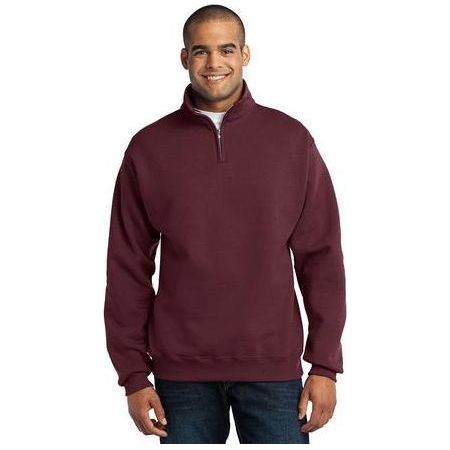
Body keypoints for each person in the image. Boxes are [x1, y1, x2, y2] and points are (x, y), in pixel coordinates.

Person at [104, 4, 346, 444]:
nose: (214, 62)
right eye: (201, 51)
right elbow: (126, 267)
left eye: (227, 49)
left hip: (273, 369)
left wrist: (325, 364)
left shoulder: (291, 140)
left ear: (245, 54)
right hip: (180, 374)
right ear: (185, 58)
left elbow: (322, 258)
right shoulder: (148, 148)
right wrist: (133, 374)